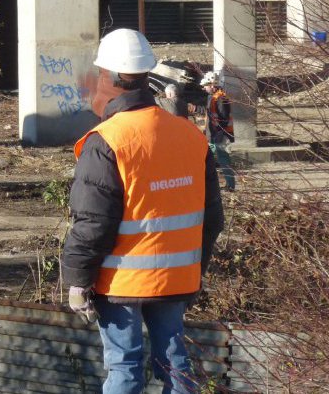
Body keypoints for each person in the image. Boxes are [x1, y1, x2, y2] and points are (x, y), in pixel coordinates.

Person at [63, 28, 224, 394]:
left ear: (110, 78)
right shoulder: (189, 136)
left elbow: (94, 224)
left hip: (121, 283)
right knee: (176, 363)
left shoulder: (107, 141)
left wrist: (77, 279)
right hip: (176, 278)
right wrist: (194, 273)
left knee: (124, 368)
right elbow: (211, 219)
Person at [200, 71, 236, 191]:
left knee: (223, 160)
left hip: (221, 136)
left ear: (212, 85)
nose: (204, 88)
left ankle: (231, 185)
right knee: (208, 159)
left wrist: (219, 132)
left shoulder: (220, 98)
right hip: (215, 135)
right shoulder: (214, 98)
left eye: (206, 86)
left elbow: (224, 118)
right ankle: (227, 185)